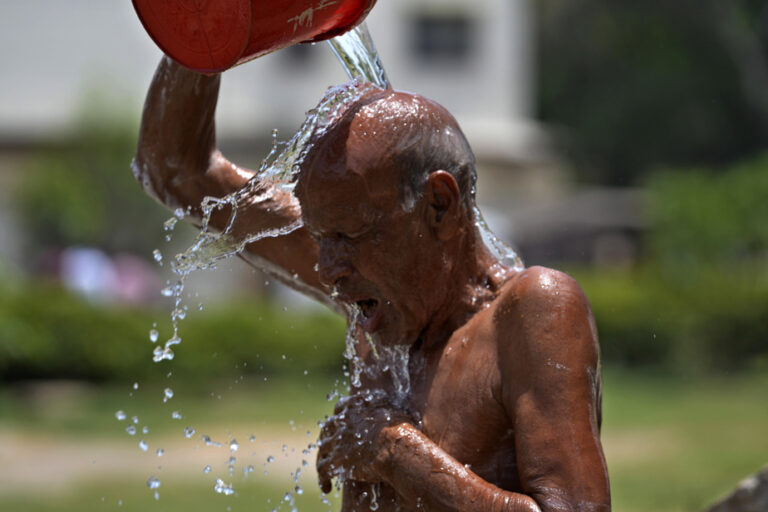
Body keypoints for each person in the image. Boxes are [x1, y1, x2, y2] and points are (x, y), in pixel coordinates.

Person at [133, 56, 611, 511]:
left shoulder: (529, 311)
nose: (326, 268)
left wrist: (392, 451)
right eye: (321, 238)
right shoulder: (376, 295)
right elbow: (177, 171)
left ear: (439, 206)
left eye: (348, 235)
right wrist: (206, 34)